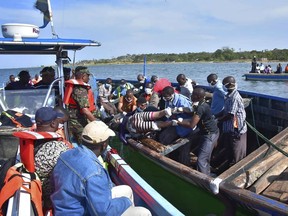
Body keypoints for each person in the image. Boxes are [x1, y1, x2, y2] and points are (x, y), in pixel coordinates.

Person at [51, 120, 151, 216]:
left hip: (65, 208)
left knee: (126, 190)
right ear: (104, 145)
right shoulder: (94, 172)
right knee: (143, 212)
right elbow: (103, 213)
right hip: (82, 212)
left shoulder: (66, 155)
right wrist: (126, 201)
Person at [33, 107, 72, 210]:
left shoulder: (31, 141)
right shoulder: (57, 148)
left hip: (37, 189)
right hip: (52, 198)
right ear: (54, 124)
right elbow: (73, 170)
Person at [175, 87, 219, 175]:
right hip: (211, 132)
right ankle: (207, 173)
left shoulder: (201, 107)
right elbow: (193, 112)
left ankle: (204, 180)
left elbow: (192, 125)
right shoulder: (202, 104)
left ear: (198, 96)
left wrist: (178, 122)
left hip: (210, 135)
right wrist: (182, 109)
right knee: (205, 157)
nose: (191, 96)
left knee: (201, 160)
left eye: (193, 94)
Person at [63, 66, 99, 144]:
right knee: (84, 142)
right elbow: (85, 110)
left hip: (71, 117)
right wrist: (96, 122)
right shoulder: (80, 90)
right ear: (83, 76)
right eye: (88, 76)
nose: (89, 78)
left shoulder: (73, 86)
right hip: (77, 120)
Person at [218, 76, 247, 167]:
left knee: (236, 151)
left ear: (228, 85)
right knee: (229, 149)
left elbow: (231, 114)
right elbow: (226, 110)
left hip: (236, 129)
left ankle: (237, 168)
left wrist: (219, 120)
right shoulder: (228, 96)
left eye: (224, 85)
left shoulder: (235, 97)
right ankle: (228, 164)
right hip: (228, 128)